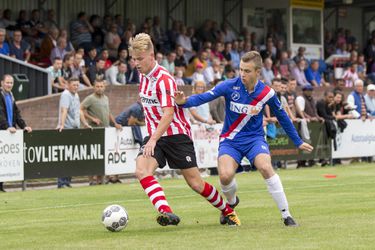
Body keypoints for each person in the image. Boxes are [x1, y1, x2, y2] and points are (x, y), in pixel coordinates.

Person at [175, 51, 313, 226]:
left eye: (247, 71)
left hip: (254, 139)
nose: (242, 74)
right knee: (225, 176)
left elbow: (283, 117)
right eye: (241, 69)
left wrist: (298, 141)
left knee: (265, 167)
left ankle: (286, 215)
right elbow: (204, 97)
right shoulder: (228, 85)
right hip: (230, 140)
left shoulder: (267, 93)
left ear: (258, 72)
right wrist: (183, 102)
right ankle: (231, 204)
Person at [129, 33, 240, 227]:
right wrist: (152, 136)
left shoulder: (163, 79)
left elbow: (168, 114)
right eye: (133, 58)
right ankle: (165, 212)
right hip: (156, 135)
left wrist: (153, 139)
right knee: (142, 170)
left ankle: (228, 210)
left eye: (139, 59)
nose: (136, 63)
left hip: (176, 135)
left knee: (196, 183)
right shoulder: (143, 75)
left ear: (151, 55)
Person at [81, 79, 122, 185]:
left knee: (103, 156)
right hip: (93, 131)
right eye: (97, 86)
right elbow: (81, 109)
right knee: (93, 156)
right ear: (94, 87)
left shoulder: (105, 98)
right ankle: (92, 180)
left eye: (101, 86)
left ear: (104, 87)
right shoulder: (90, 98)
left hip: (105, 131)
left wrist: (115, 123)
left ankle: (101, 179)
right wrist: (92, 118)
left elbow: (108, 112)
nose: (99, 88)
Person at [0, 75, 32, 192]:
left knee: (4, 160)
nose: (9, 85)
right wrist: (7, 126)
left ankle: (1, 186)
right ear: (2, 83)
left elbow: (16, 114)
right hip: (2, 131)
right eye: (7, 82)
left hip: (8, 132)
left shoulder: (11, 96)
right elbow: (0, 114)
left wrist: (24, 126)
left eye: (11, 83)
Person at [56, 78, 91, 188]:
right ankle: (62, 182)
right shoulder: (66, 95)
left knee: (71, 157)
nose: (76, 87)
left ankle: (67, 181)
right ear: (68, 85)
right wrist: (61, 124)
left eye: (77, 85)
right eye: (74, 85)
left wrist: (85, 123)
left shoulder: (76, 95)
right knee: (65, 157)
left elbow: (79, 111)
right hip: (67, 129)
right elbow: (64, 110)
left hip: (75, 128)